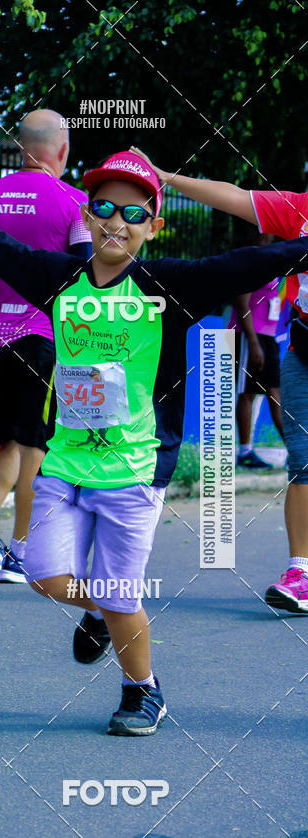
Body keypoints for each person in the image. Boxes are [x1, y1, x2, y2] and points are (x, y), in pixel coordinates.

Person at [0, 149, 308, 735]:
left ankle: (142, 691)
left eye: (134, 213)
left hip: (135, 467)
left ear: (153, 226)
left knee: (122, 594)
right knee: (42, 574)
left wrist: (303, 248)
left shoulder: (168, 286)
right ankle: (102, 610)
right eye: (105, 208)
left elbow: (246, 262)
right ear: (87, 216)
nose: (118, 222)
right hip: (66, 463)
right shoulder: (59, 278)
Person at [131, 147, 308, 614]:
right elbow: (232, 196)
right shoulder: (300, 211)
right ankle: (301, 572)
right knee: (304, 461)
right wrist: (165, 175)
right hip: (304, 352)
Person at [0, 109, 91, 583]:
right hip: (45, 338)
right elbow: (84, 277)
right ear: (62, 151)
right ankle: (19, 550)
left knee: (12, 438)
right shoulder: (75, 202)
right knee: (36, 444)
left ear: (20, 148)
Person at [230, 233, 285, 469]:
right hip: (248, 335)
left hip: (268, 336)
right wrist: (252, 343)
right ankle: (245, 452)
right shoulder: (251, 259)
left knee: (274, 393)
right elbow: (241, 303)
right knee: (247, 393)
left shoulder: (274, 259)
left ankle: (296, 451)